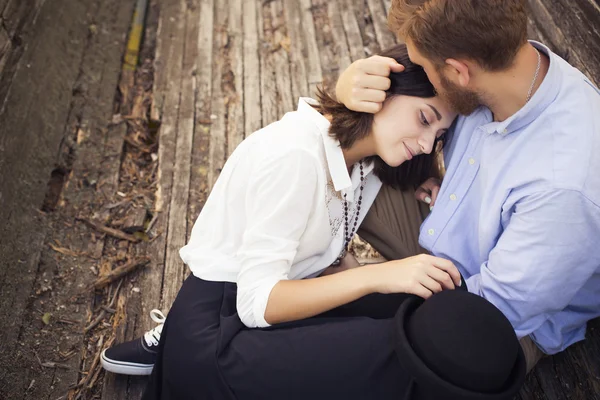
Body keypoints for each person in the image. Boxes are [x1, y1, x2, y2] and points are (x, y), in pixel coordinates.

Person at [101, 43, 462, 376]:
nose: (428, 143)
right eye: (425, 119)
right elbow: (256, 303)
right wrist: (376, 275)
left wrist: (425, 179)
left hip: (287, 291)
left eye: (440, 136)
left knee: (410, 315)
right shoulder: (296, 156)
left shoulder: (370, 159)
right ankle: (173, 343)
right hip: (222, 327)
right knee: (388, 355)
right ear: (379, 91)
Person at [340, 0, 600, 372]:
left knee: (353, 360)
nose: (423, 75)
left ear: (459, 72)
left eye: (426, 69)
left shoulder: (564, 187)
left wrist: (365, 286)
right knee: (345, 168)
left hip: (495, 323)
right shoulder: (501, 73)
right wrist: (350, 87)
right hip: (446, 246)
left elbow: (490, 313)